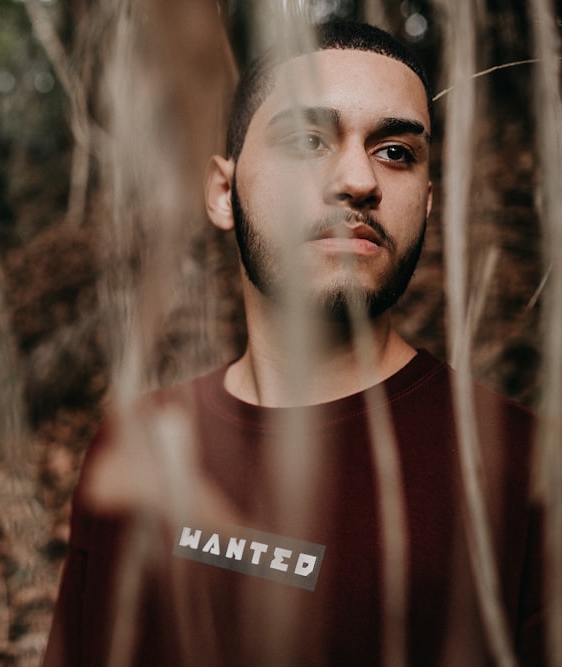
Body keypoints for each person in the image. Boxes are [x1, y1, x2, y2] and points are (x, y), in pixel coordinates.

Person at [43, 20, 545, 666]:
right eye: (308, 138)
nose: (358, 180)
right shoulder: (134, 446)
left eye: (396, 151)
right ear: (224, 193)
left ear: (425, 203)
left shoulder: (521, 467)